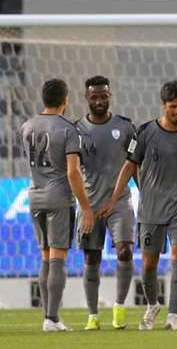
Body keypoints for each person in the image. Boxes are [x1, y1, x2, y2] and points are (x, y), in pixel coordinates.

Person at [100, 81, 177, 330]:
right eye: (173, 106)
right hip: (152, 207)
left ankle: (174, 314)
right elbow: (129, 166)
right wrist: (115, 197)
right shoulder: (145, 132)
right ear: (163, 105)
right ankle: (152, 305)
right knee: (149, 264)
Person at [21, 78, 95, 331]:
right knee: (58, 258)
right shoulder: (67, 129)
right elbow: (74, 172)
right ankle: (52, 318)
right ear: (66, 100)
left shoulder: (27, 126)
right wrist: (86, 206)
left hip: (34, 195)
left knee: (45, 257)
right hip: (58, 196)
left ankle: (47, 316)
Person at [75, 75, 136, 330]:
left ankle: (119, 308)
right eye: (94, 97)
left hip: (119, 201)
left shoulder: (126, 127)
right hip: (89, 202)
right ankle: (93, 315)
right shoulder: (75, 130)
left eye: (103, 96)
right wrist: (83, 204)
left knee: (125, 250)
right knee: (92, 258)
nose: (99, 101)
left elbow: (136, 165)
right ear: (86, 98)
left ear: (110, 96)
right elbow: (71, 169)